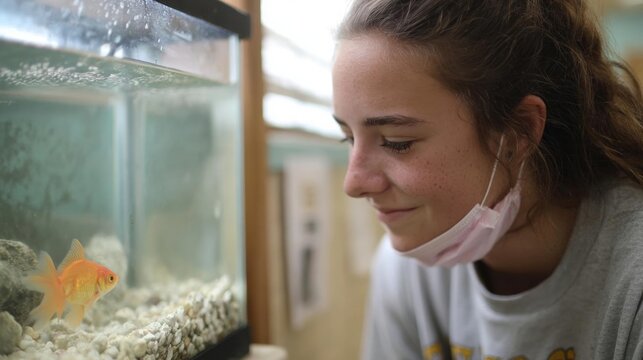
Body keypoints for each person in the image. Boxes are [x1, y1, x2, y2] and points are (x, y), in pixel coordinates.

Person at [331, 0, 643, 359]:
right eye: (348, 138)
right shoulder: (405, 266)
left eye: (397, 143)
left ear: (519, 131)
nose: (353, 184)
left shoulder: (632, 277)